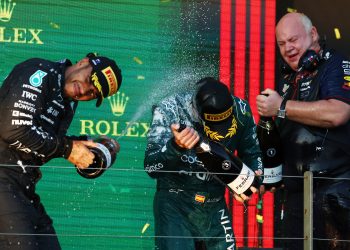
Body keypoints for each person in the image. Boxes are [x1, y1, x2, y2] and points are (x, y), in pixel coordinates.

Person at [0, 53, 122, 249]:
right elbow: (13, 128)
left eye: (93, 93)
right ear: (83, 62)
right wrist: (68, 149)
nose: (85, 91)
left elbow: (41, 141)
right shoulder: (40, 71)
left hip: (23, 187)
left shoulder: (67, 104)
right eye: (91, 80)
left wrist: (88, 146)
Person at [256, 12, 350, 250]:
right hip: (298, 195)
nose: (288, 48)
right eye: (281, 43)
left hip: (337, 192)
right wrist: (269, 173)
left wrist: (281, 107)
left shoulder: (337, 64)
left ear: (313, 34)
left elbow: (338, 112)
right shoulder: (288, 79)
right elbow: (280, 138)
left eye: (293, 40)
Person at [144, 77, 263, 250]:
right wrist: (176, 147)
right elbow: (151, 167)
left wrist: (252, 178)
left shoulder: (241, 109)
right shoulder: (170, 109)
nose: (220, 131)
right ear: (196, 112)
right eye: (214, 124)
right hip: (174, 203)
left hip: (214, 204)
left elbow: (253, 153)